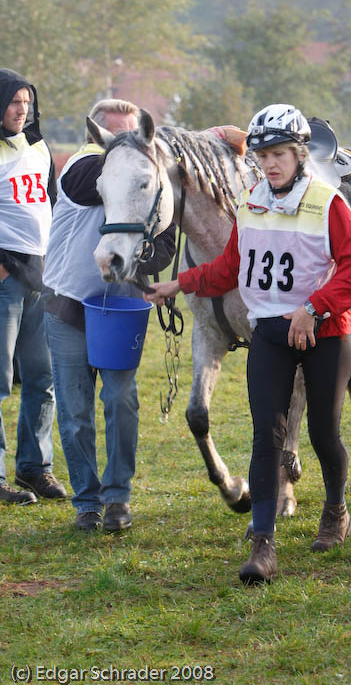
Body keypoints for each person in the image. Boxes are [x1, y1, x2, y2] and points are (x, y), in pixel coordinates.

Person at [147, 104, 351, 584]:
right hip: (270, 332)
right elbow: (231, 269)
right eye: (264, 155)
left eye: (281, 155)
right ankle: (263, 546)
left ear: (299, 155)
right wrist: (180, 284)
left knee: (322, 436)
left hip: (326, 333)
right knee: (265, 438)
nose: (270, 164)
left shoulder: (328, 202)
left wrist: (314, 309)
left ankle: (335, 509)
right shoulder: (250, 202)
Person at [42, 99, 176, 531]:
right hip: (69, 305)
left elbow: (166, 248)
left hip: (120, 308)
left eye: (137, 136)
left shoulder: (148, 181)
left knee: (121, 401)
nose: (130, 145)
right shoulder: (80, 170)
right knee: (76, 412)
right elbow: (97, 179)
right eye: (119, 137)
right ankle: (86, 501)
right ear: (97, 138)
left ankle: (118, 498)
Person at [0, 68, 67, 505]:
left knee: (43, 377)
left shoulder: (39, 146)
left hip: (41, 275)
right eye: (13, 103)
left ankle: (34, 468)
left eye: (26, 103)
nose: (21, 111)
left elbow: (53, 203)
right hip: (4, 276)